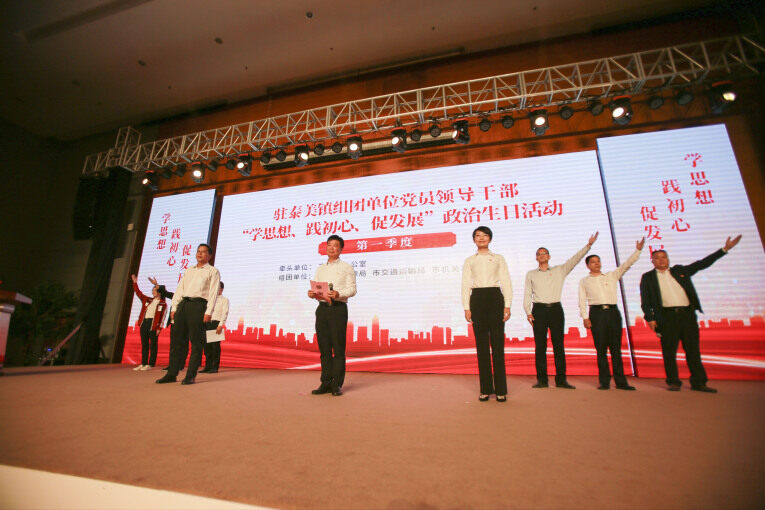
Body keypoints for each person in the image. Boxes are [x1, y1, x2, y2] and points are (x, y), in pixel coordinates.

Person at [639, 235, 741, 393]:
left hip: (687, 316)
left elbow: (702, 264)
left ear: (668, 259)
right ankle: (673, 382)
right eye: (657, 258)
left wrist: (724, 249)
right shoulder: (648, 278)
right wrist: (650, 318)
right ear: (652, 261)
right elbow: (645, 301)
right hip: (667, 317)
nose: (661, 260)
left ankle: (699, 382)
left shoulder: (680, 271)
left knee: (693, 350)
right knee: (669, 352)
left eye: (664, 257)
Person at [524, 232, 599, 389]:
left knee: (558, 345)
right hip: (538, 310)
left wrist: (588, 245)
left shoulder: (560, 270)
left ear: (549, 256)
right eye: (539, 254)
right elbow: (527, 293)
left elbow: (575, 259)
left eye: (544, 253)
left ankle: (561, 380)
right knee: (540, 346)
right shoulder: (531, 274)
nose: (542, 255)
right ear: (536, 258)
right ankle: (542, 380)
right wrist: (528, 311)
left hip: (556, 309)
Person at [578, 238, 645, 390]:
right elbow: (581, 300)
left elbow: (626, 265)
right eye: (593, 262)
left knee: (616, 349)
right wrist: (585, 317)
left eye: (598, 261)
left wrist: (638, 251)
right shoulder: (584, 281)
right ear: (588, 265)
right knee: (601, 350)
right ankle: (604, 382)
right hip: (596, 314)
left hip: (613, 313)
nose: (597, 264)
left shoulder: (611, 275)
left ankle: (621, 382)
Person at [156, 244, 220, 385]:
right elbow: (180, 289)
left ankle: (190, 375)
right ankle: (171, 374)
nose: (200, 254)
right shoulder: (189, 270)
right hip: (183, 304)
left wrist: (208, 311)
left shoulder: (213, 271)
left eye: (204, 252)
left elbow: (213, 293)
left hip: (199, 305)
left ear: (209, 256)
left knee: (196, 342)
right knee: (177, 341)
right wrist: (174, 307)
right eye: (198, 251)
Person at [462, 226, 512, 402]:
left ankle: (501, 390)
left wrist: (507, 305)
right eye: (478, 235)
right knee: (481, 346)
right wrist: (466, 307)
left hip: (495, 297)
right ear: (474, 239)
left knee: (498, 345)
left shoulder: (498, 258)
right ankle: (485, 389)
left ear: (490, 238)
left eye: (484, 235)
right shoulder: (470, 260)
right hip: (477, 299)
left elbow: (506, 281)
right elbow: (465, 284)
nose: (481, 238)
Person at [307, 235, 357, 396]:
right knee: (324, 348)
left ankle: (337, 384)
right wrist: (312, 294)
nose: (331, 248)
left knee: (338, 348)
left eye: (335, 245)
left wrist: (338, 293)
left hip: (338, 309)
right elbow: (316, 287)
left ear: (341, 249)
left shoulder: (347, 267)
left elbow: (352, 289)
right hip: (322, 309)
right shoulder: (320, 268)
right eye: (329, 245)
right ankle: (325, 382)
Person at [130, 274, 167, 370]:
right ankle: (143, 363)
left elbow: (163, 317)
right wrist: (135, 283)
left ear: (159, 292)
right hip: (145, 323)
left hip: (153, 324)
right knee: (144, 344)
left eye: (155, 290)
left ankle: (150, 364)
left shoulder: (163, 303)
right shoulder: (148, 299)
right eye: (152, 290)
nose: (153, 292)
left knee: (153, 344)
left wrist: (159, 328)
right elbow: (138, 293)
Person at [201, 281, 228, 374]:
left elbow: (225, 313)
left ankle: (215, 367)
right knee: (206, 346)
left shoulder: (224, 300)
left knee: (215, 346)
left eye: (218, 288)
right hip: (207, 323)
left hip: (216, 323)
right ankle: (207, 366)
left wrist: (220, 325)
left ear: (221, 289)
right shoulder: (209, 299)